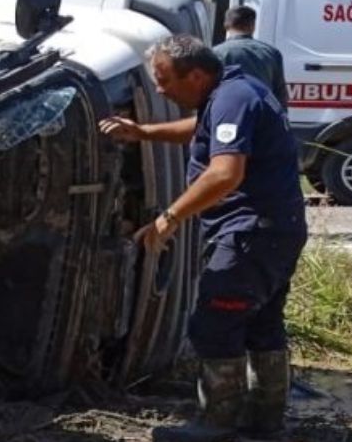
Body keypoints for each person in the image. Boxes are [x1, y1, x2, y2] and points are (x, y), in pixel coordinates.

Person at [99, 35, 307, 442]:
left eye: (163, 80)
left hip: (251, 233)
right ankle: (265, 423)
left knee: (215, 323)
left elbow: (225, 172)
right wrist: (143, 132)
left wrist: (170, 216)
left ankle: (216, 425)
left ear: (195, 75)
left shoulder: (232, 98)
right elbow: (202, 129)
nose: (159, 89)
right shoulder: (235, 91)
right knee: (261, 324)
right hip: (274, 232)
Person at [213, 6, 288, 108]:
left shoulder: (216, 53)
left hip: (228, 113)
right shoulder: (272, 53)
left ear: (226, 25)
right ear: (253, 26)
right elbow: (280, 94)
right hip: (262, 114)